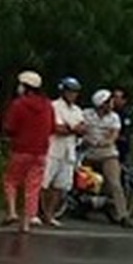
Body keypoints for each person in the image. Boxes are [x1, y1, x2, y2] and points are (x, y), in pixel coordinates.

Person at [1, 71, 53, 233]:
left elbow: (10, 127)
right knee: (32, 186)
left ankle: (11, 211)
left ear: (25, 87)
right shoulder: (47, 105)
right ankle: (26, 222)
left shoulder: (19, 104)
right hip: (40, 151)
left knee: (11, 180)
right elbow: (51, 127)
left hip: (20, 149)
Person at [81, 89, 131, 228]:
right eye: (109, 101)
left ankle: (123, 215)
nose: (111, 103)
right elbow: (81, 128)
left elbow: (114, 134)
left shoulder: (114, 117)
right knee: (80, 181)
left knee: (115, 183)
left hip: (107, 154)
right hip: (88, 153)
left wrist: (106, 141)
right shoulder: (86, 114)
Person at [42, 77, 87, 227]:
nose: (73, 94)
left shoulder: (77, 110)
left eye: (75, 92)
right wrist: (73, 129)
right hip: (53, 149)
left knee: (60, 186)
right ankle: (36, 212)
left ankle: (50, 214)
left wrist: (72, 129)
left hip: (69, 151)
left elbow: (83, 129)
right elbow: (57, 128)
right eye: (70, 91)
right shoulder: (53, 106)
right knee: (44, 183)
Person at [112, 87, 133, 165]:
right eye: (114, 97)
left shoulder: (126, 115)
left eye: (117, 97)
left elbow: (126, 133)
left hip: (120, 149)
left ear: (124, 100)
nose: (115, 100)